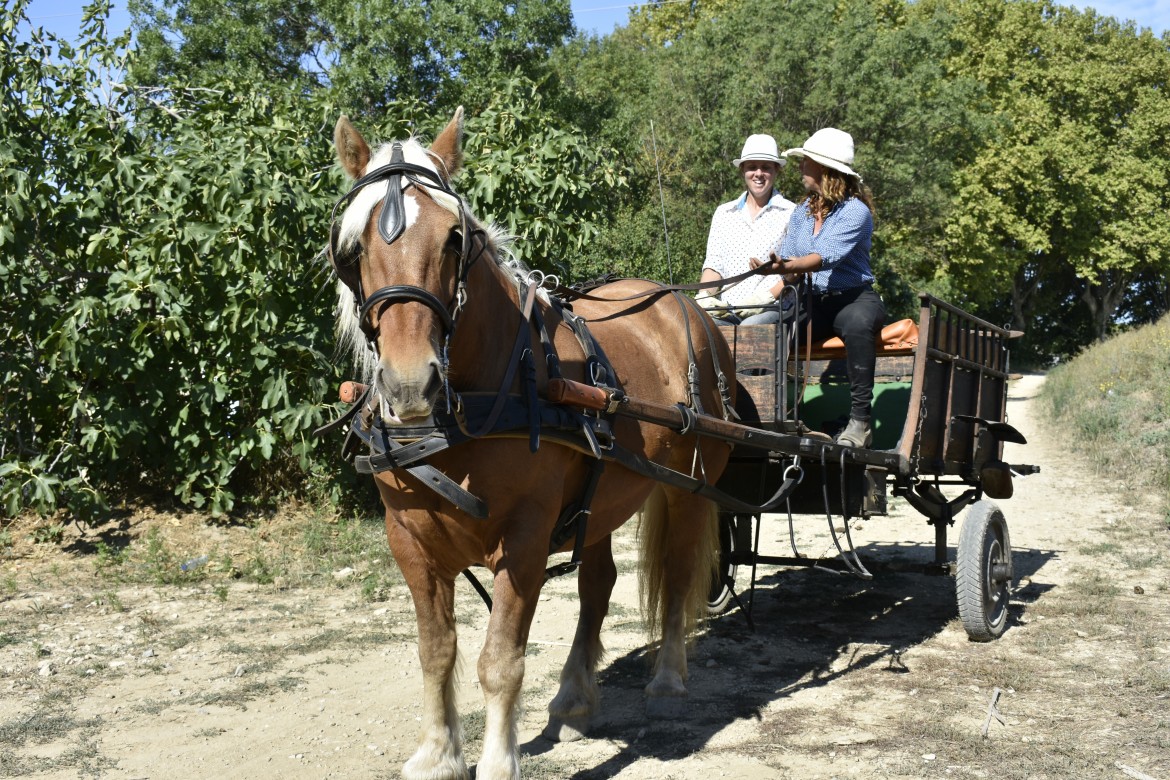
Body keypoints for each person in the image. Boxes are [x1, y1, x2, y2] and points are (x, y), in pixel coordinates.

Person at [762, 127, 886, 448]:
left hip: (854, 298)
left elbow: (824, 257)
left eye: (806, 161)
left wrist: (788, 266)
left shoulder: (856, 212)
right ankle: (773, 414)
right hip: (813, 300)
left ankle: (860, 422)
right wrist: (773, 281)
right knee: (771, 329)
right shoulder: (802, 213)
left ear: (825, 169)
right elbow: (790, 263)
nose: (801, 166)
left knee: (858, 325)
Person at [697, 134, 796, 325]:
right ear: (742, 170)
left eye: (766, 167)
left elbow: (795, 272)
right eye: (752, 167)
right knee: (693, 325)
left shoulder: (791, 213)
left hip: (773, 307)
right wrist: (704, 296)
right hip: (728, 309)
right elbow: (714, 265)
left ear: (776, 171)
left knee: (750, 328)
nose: (758, 173)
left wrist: (765, 298)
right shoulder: (724, 213)